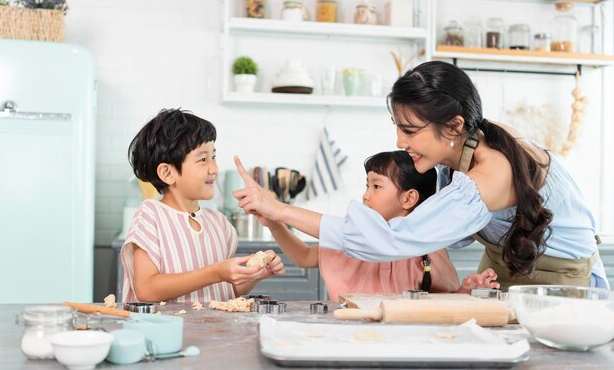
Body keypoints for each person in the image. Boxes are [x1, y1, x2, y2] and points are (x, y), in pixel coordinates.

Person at [233, 61, 608, 290]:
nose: (399, 141)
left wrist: (279, 209)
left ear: (453, 125)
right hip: (506, 265)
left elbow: (389, 241)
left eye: (410, 130)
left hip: (558, 278)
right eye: (397, 127)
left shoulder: (492, 172)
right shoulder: (465, 149)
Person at [257, 151, 499, 301]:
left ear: (408, 199)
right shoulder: (355, 238)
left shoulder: (427, 250)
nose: (365, 196)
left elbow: (442, 299)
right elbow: (305, 257)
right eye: (366, 186)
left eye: (376, 186)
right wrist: (275, 225)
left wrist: (465, 292)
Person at [121, 109, 284, 303]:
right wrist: (216, 272)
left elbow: (227, 290)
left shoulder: (218, 223)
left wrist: (256, 273)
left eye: (213, 157)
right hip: (169, 332)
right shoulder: (151, 216)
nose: (214, 169)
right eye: (203, 159)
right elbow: (146, 289)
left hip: (212, 331)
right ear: (167, 173)